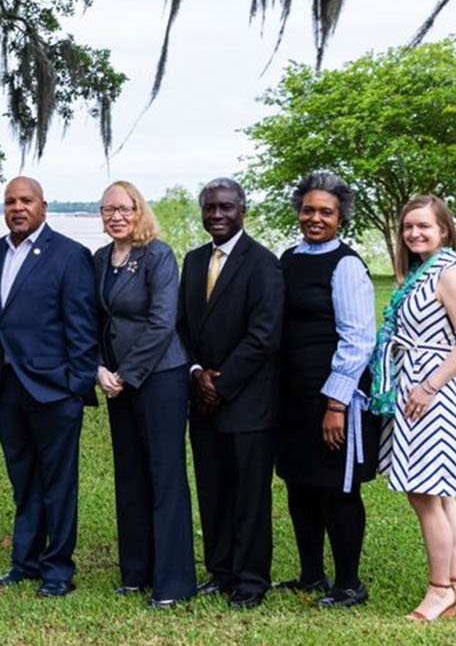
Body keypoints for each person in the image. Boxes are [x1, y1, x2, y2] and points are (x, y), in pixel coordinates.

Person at [0, 176, 98, 598]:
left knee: (58, 484)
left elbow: (83, 329)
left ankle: (58, 569)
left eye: (26, 200)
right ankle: (24, 562)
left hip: (54, 389)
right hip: (5, 388)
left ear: (43, 206)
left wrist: (75, 385)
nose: (17, 208)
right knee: (24, 480)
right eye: (10, 201)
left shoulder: (69, 255)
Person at [175, 178, 284, 609]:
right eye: (209, 208)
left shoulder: (263, 263)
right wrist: (198, 373)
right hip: (202, 400)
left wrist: (223, 383)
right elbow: (182, 325)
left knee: (249, 496)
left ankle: (251, 580)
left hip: (248, 401)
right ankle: (220, 572)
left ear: (243, 210)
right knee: (213, 490)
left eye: (225, 207)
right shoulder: (194, 259)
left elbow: (264, 335)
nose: (216, 215)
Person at [374, 196, 456, 621]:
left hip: (432, 395)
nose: (414, 233)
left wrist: (429, 387)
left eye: (424, 226)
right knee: (441, 495)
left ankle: (440, 590)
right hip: (412, 390)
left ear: (444, 230)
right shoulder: (423, 272)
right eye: (408, 227)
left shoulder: (450, 275)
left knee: (426, 494)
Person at [274, 171, 378, 608]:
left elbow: (359, 338)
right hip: (292, 395)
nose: (315, 218)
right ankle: (311, 574)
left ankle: (348, 583)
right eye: (309, 210)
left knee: (338, 488)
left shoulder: (347, 265)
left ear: (341, 218)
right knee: (300, 483)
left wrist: (335, 403)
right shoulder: (289, 258)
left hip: (336, 398)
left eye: (326, 212)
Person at [92, 180, 196, 608]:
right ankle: (136, 573)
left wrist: (127, 374)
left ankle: (172, 583)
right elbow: (97, 320)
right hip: (117, 380)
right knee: (130, 474)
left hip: (160, 379)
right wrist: (99, 369)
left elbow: (162, 322)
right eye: (107, 210)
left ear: (140, 210)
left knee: (164, 476)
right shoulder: (101, 259)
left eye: (124, 208)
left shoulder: (158, 255)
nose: (116, 216)